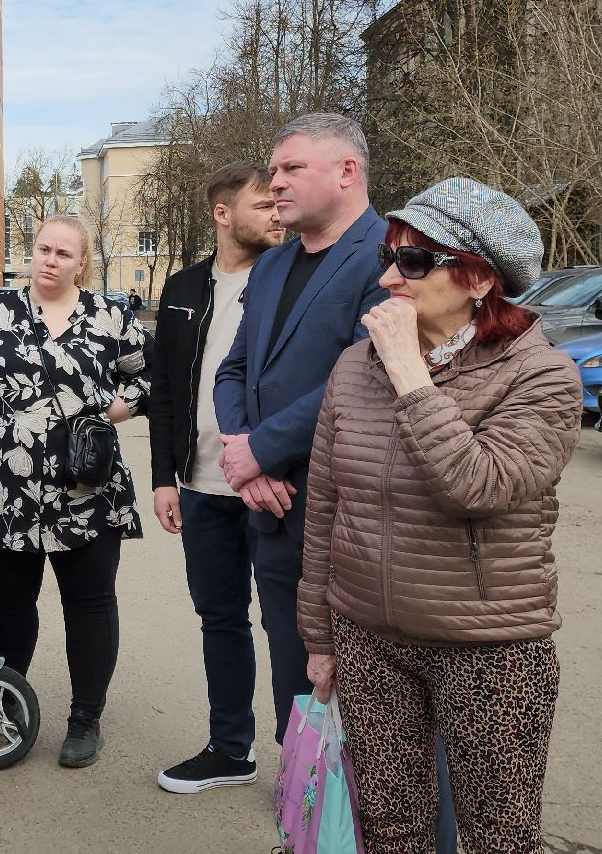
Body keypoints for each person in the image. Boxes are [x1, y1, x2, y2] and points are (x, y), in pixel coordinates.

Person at [301, 178, 581, 852]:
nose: (392, 277)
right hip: (369, 636)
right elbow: (326, 504)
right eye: (386, 259)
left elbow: (477, 486)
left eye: (416, 262)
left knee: (499, 834)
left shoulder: (540, 375)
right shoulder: (352, 365)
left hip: (489, 647)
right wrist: (318, 636)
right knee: (391, 829)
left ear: (479, 278)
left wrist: (410, 374)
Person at [0, 214, 150, 768]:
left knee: (89, 605)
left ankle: (85, 718)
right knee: (9, 606)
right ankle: (5, 706)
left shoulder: (113, 317)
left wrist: (114, 409)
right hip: (4, 492)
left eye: (63, 253)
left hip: (86, 492)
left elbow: (147, 376)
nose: (50, 260)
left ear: (81, 261)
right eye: (43, 250)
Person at [213, 112, 388, 750]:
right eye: (274, 169)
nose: (274, 183)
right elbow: (234, 371)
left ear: (347, 172)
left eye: (291, 168)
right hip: (275, 512)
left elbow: (368, 378)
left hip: (349, 516)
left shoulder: (389, 258)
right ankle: (304, 809)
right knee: (292, 677)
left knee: (364, 695)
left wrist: (260, 450)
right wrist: (245, 453)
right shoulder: (271, 267)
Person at [145, 162, 286, 793]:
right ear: (223, 213)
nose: (276, 213)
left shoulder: (289, 279)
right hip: (200, 485)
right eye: (262, 204)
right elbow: (165, 390)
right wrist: (163, 478)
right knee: (219, 620)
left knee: (288, 627)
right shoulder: (182, 288)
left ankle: (302, 766)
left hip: (272, 486)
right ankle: (231, 749)